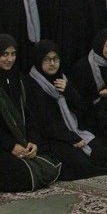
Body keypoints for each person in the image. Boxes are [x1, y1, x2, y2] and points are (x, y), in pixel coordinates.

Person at [27, 40, 107, 180]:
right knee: (81, 165)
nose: (52, 63)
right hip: (52, 138)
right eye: (47, 59)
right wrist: (71, 138)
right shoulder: (32, 84)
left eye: (55, 59)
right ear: (39, 59)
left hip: (75, 130)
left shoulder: (63, 78)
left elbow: (82, 108)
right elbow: (43, 122)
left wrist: (69, 91)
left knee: (103, 155)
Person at [0, 34, 61, 192]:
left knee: (48, 165)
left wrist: (32, 142)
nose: (10, 59)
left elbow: (29, 116)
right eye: (4, 54)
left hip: (21, 142)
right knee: (23, 174)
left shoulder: (19, 80)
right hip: (4, 144)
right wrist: (11, 146)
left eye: (13, 54)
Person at [70, 28, 107, 158]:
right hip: (87, 117)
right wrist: (99, 95)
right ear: (100, 44)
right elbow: (76, 101)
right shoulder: (83, 66)